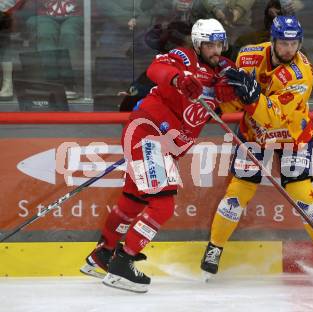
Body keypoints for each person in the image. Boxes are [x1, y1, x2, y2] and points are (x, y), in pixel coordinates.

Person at [80, 18, 240, 293]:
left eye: (219, 44)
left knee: (132, 201)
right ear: (198, 44)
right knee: (162, 205)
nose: (215, 50)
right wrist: (178, 79)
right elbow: (157, 68)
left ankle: (102, 256)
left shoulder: (225, 70)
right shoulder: (184, 58)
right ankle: (123, 263)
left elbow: (235, 95)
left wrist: (240, 91)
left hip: (164, 144)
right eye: (208, 44)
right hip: (149, 135)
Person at [200, 15, 313, 280]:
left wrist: (252, 96)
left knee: (303, 196)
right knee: (236, 194)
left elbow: (275, 115)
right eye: (284, 43)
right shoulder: (248, 56)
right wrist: (222, 98)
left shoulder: (302, 73)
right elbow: (235, 99)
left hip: (293, 136)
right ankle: (214, 247)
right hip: (254, 135)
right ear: (273, 40)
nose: (290, 49)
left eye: (294, 43)